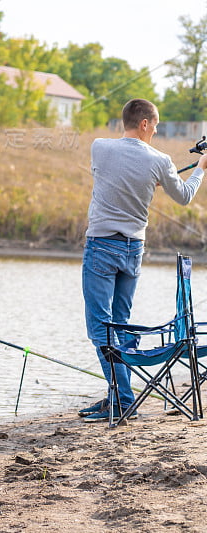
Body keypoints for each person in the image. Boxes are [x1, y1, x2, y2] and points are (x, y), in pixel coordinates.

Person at [80, 98, 207, 422]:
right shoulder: (161, 161)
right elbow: (184, 196)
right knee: (118, 324)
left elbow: (110, 177)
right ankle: (117, 395)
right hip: (133, 250)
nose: (157, 130)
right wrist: (200, 170)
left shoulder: (99, 147)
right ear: (145, 123)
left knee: (101, 327)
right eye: (157, 124)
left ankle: (122, 399)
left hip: (102, 246)